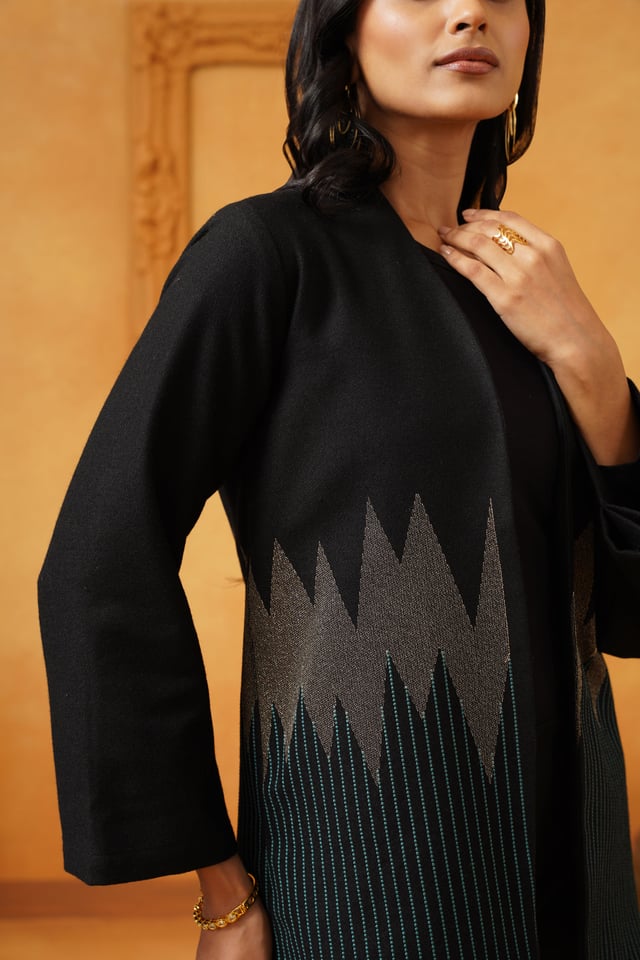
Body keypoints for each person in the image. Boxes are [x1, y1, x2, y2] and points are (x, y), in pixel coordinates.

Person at [38, 0, 640, 957]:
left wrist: (595, 368)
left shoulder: (529, 287)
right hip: (366, 873)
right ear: (342, 33)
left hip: (582, 879)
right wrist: (221, 886)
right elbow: (99, 557)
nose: (469, 11)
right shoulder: (266, 254)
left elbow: (629, 613)